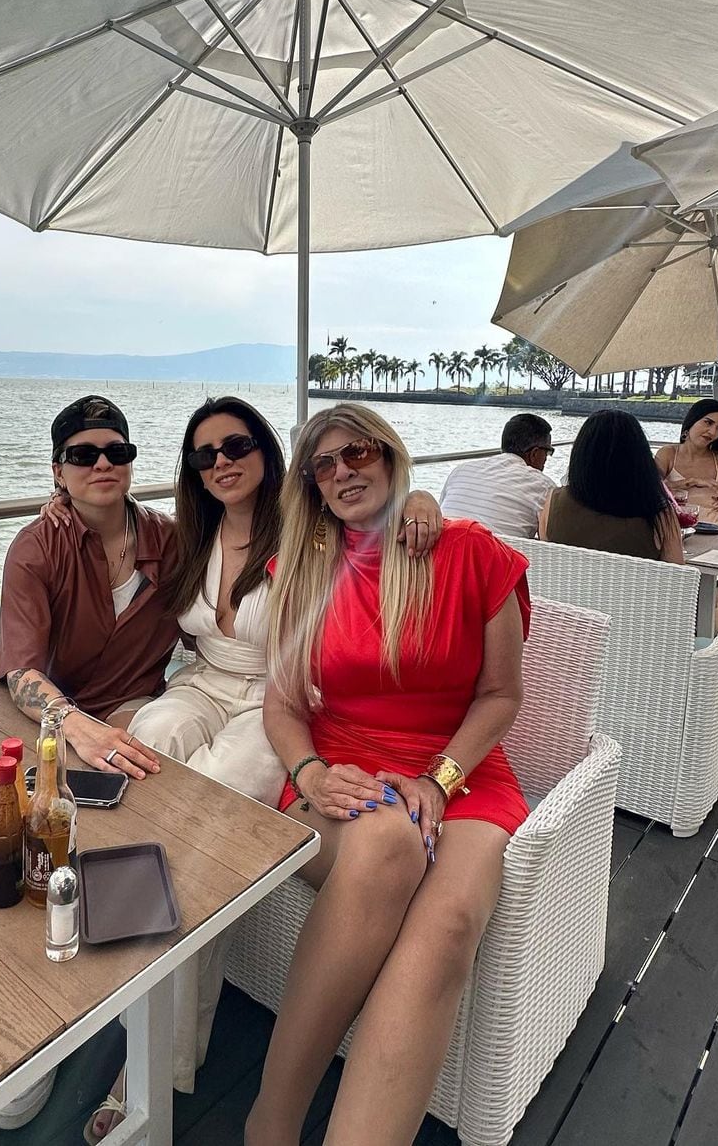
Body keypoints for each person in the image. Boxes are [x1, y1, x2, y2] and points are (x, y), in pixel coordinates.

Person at [33, 397, 444, 1139]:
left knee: (208, 829)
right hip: (200, 682)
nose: (220, 460)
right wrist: (60, 502)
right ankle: (109, 973)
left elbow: (374, 507)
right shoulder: (181, 533)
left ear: (264, 451)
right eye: (203, 453)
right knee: (142, 759)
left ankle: (159, 1058)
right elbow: (108, 529)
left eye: (236, 444)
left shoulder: (305, 529)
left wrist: (420, 495)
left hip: (277, 700)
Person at [245, 404, 530, 1146]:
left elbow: (502, 697)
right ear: (311, 486)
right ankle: (271, 1126)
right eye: (324, 465)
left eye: (358, 452)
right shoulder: (301, 571)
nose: (344, 472)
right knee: (387, 843)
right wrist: (308, 774)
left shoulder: (471, 552)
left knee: (446, 931)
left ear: (390, 455)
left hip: (460, 774)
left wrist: (437, 780)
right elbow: (282, 708)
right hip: (341, 773)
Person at [0, 393, 179, 775]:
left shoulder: (170, 540)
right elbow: (20, 671)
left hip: (138, 708)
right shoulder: (36, 548)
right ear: (58, 472)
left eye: (118, 451)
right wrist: (78, 727)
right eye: (83, 456)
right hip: (51, 715)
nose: (103, 464)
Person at [539, 410, 685, 563]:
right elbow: (678, 574)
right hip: (633, 586)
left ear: (580, 455)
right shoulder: (658, 514)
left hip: (564, 586)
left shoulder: (553, 501)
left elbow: (547, 556)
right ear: (641, 459)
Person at [438, 412, 556, 537]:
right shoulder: (544, 487)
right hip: (498, 554)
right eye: (548, 452)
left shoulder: (460, 471)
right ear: (534, 453)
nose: (546, 459)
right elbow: (550, 540)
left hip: (444, 553)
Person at [654, 398, 718, 525]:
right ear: (692, 421)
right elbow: (652, 489)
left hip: (717, 531)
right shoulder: (667, 454)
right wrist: (691, 482)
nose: (712, 432)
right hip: (676, 532)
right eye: (708, 422)